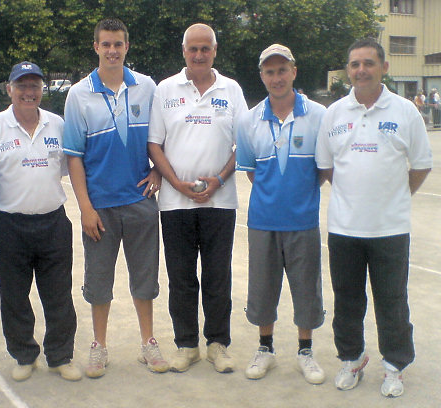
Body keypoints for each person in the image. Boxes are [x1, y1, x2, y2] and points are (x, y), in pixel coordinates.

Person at [316, 38, 432, 398]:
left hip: (390, 229)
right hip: (344, 229)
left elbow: (422, 165)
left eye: (368, 63)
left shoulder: (405, 112)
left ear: (384, 67)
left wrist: (393, 196)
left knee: (392, 301)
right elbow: (327, 166)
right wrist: (354, 196)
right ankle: (351, 359)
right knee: (347, 300)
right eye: (354, 64)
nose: (361, 70)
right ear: (348, 70)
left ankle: (395, 365)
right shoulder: (334, 113)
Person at [63, 18, 168, 378]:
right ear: (95, 47)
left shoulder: (148, 88)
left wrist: (158, 170)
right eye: (105, 44)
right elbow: (74, 156)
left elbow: (161, 137)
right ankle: (99, 346)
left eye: (118, 44)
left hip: (140, 201)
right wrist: (85, 208)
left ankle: (148, 343)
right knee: (99, 281)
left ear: (127, 46)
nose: (112, 50)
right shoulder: (78, 94)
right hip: (100, 207)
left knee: (144, 278)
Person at [148, 23, 248, 373]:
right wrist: (175, 183)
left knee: (218, 276)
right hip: (176, 204)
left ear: (215, 51)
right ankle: (186, 344)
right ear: (184, 51)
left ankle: (218, 344)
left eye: (206, 48)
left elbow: (244, 144)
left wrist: (219, 179)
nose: (200, 54)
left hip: (220, 202)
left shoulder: (231, 90)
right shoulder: (165, 90)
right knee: (181, 276)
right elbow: (154, 144)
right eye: (194, 49)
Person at [0, 62, 81, 382]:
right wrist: (18, 199)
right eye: (21, 86)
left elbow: (65, 170)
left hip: (53, 223)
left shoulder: (58, 125)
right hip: (11, 225)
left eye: (34, 86)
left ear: (42, 90)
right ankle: (24, 354)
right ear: (9, 89)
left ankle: (60, 355)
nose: (28, 92)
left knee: (59, 294)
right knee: (14, 295)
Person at [235, 44, 326, 384]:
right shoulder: (249, 120)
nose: (276, 77)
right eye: (270, 71)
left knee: (306, 290)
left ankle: (305, 351)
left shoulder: (318, 115)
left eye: (282, 70)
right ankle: (265, 349)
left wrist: (296, 195)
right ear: (262, 76)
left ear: (294, 72)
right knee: (262, 289)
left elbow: (321, 169)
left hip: (303, 221)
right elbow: (251, 171)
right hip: (262, 220)